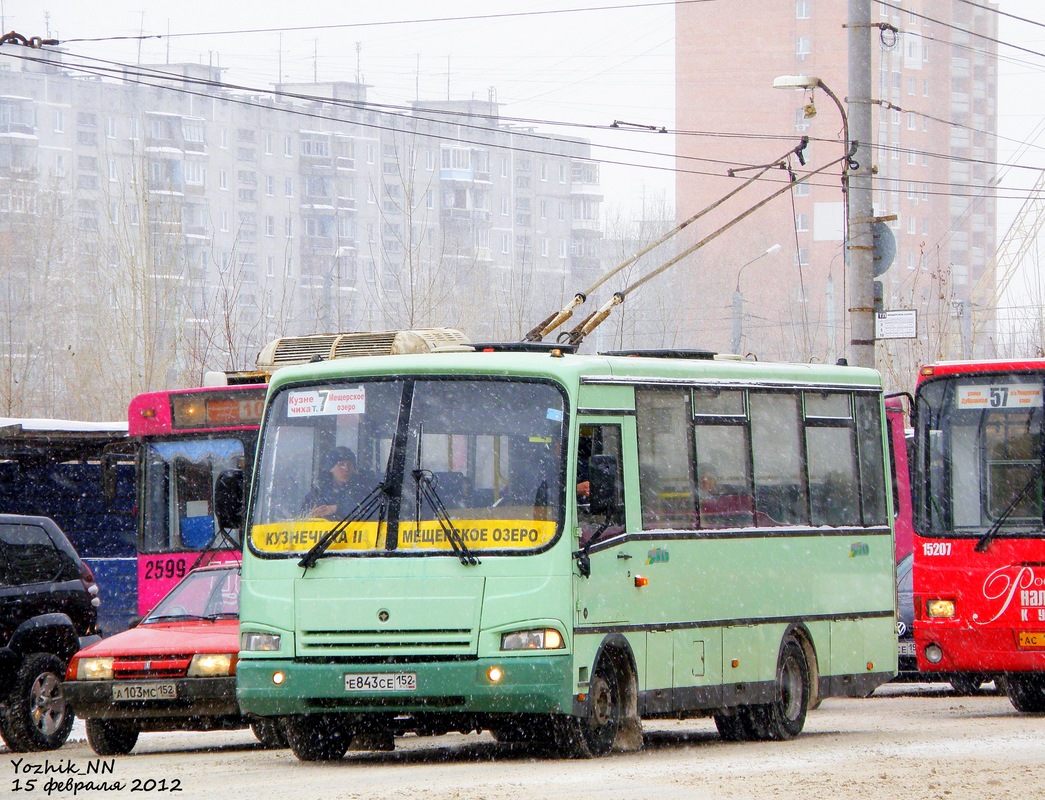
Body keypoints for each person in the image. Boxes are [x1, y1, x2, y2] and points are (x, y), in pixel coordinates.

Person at [304, 446, 368, 519]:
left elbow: (370, 510)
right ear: (331, 468)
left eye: (349, 465)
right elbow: (299, 520)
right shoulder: (317, 494)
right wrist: (309, 517)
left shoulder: (363, 490)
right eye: (341, 464)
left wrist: (336, 509)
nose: (346, 469)